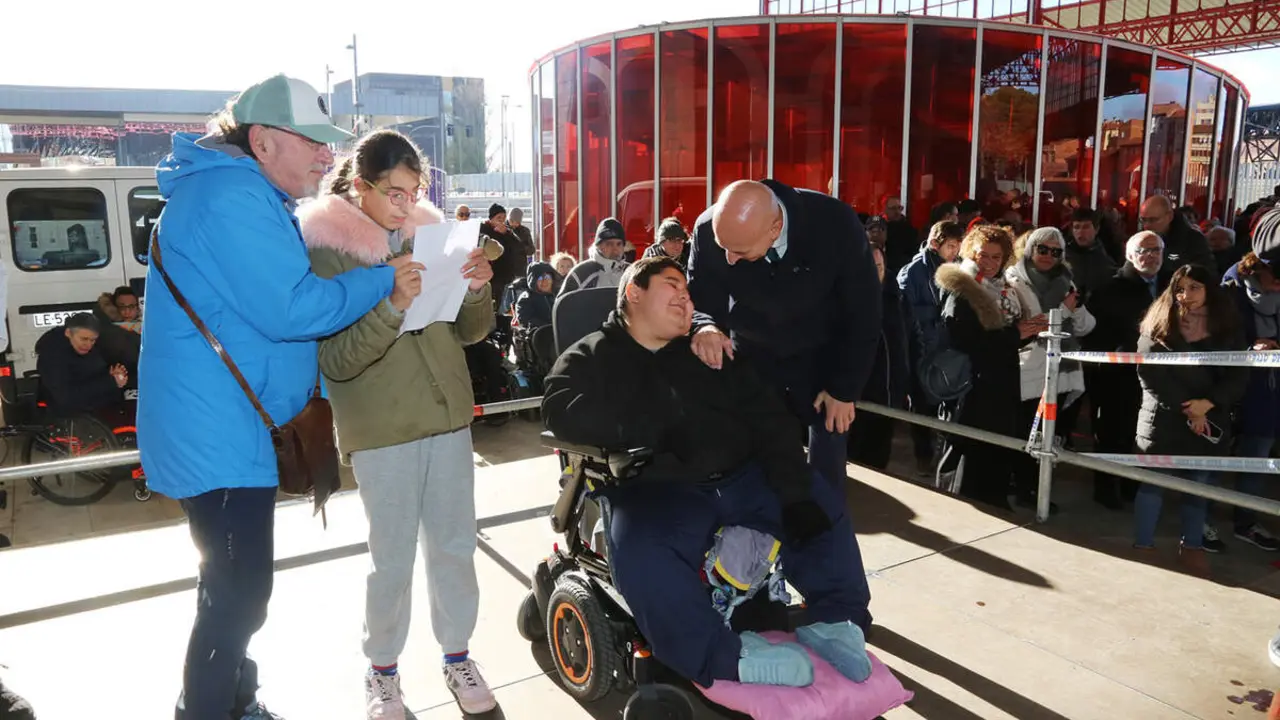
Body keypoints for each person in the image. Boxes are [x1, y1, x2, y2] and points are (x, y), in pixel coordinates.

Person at [139, 74, 419, 720]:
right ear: (263, 142)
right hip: (219, 436)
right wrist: (382, 283)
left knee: (231, 586)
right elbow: (292, 308)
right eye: (314, 142)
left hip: (226, 429)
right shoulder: (230, 196)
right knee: (239, 593)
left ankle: (234, 699)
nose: (328, 157)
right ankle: (207, 710)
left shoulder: (236, 191)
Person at [542, 256, 873, 690]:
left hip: (744, 476)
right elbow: (559, 411)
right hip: (659, 488)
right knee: (640, 551)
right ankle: (723, 657)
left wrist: (793, 493)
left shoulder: (708, 351)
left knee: (818, 502)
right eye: (671, 284)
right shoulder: (591, 356)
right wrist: (650, 424)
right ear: (634, 292)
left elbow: (770, 420)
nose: (685, 295)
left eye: (688, 290)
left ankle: (837, 623)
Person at [296, 129, 497, 718]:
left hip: (448, 418)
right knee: (392, 558)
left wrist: (478, 289)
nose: (406, 204)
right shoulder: (323, 249)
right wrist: (391, 306)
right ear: (359, 186)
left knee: (456, 546)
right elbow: (333, 360)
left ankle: (457, 655)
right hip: (380, 429)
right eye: (394, 192)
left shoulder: (429, 236)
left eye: (414, 192)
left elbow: (468, 332)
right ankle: (382, 672)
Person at [687, 180, 882, 492]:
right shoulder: (710, 229)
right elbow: (700, 298)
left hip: (824, 360)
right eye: (724, 248)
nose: (729, 259)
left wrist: (844, 390)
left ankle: (825, 531)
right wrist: (706, 327)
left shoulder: (835, 224)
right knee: (755, 469)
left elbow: (863, 311)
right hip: (753, 358)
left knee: (826, 476)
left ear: (775, 229)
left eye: (739, 251)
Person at [1133, 264, 1247, 575]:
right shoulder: (1158, 323)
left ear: (1210, 289)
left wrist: (1207, 405)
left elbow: (1239, 375)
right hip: (1164, 419)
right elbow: (1150, 373)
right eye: (1180, 288)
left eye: (1195, 287)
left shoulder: (1228, 327)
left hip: (1211, 417)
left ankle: (1192, 544)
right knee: (1153, 486)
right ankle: (1143, 544)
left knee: (1200, 486)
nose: (1187, 294)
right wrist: (1189, 409)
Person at [934, 225, 1045, 509]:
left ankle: (991, 500)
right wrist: (1014, 334)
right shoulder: (963, 288)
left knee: (995, 451)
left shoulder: (1000, 289)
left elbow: (996, 340)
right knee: (972, 453)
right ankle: (971, 505)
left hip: (1000, 385)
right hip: (975, 388)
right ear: (970, 253)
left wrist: (1025, 332)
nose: (990, 262)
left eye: (997, 257)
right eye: (984, 255)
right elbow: (965, 339)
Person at [1004, 227, 1096, 509]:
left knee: (1053, 437)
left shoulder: (1066, 281)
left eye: (1055, 252)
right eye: (1042, 249)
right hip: (1029, 369)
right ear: (1030, 248)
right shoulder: (1014, 280)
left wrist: (1075, 307)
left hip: (1064, 371)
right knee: (1027, 435)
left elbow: (1087, 326)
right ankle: (1026, 490)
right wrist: (1064, 310)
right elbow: (1027, 326)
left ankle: (1037, 489)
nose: (1047, 256)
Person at [1082, 231, 1167, 510]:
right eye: (1143, 250)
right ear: (1130, 255)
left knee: (1141, 434)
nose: (1150, 256)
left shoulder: (1170, 285)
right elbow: (1094, 335)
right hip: (1116, 376)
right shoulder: (1109, 288)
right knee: (1111, 434)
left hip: (1155, 376)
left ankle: (1132, 485)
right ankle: (1105, 488)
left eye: (1156, 250)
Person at [1220, 251, 1280, 552]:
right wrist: (1248, 347)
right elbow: (1217, 335)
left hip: (1271, 387)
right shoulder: (1231, 288)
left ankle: (1247, 519)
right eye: (1276, 279)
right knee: (1225, 453)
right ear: (1261, 268)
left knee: (1260, 452)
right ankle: (1211, 521)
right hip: (1236, 385)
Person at [897, 220, 963, 476]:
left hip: (948, 350)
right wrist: (939, 313)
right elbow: (905, 311)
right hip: (922, 350)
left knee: (949, 405)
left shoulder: (957, 268)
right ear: (936, 243)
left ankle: (944, 455)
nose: (955, 252)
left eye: (958, 246)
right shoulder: (913, 272)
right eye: (951, 246)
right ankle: (923, 455)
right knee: (923, 407)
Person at [847, 244, 908, 470]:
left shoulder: (895, 298)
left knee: (879, 460)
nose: (875, 273)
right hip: (856, 399)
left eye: (879, 267)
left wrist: (904, 386)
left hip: (888, 395)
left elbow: (904, 345)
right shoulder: (845, 300)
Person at [36, 313, 127, 418]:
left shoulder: (92, 350)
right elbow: (66, 398)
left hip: (93, 414)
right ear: (68, 333)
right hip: (68, 420)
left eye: (92, 340)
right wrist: (110, 382)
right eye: (84, 339)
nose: (88, 344)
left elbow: (92, 379)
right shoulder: (52, 356)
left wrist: (112, 378)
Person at [1139, 194, 1215, 281]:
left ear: (1169, 216)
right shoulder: (1140, 239)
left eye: (1153, 220)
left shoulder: (1193, 241)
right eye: (1143, 220)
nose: (1147, 226)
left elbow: (1206, 276)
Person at [560, 218, 629, 293]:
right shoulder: (581, 273)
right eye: (609, 244)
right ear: (598, 246)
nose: (615, 249)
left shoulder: (631, 273)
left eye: (619, 244)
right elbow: (562, 303)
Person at [1064, 208, 1117, 304]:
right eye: (1077, 227)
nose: (1081, 232)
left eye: (1086, 227)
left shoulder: (1107, 260)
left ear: (1096, 229)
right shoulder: (1062, 257)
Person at [482, 204, 525, 304]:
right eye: (499, 217)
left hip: (506, 275)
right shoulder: (483, 229)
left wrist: (506, 233)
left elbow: (519, 247)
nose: (501, 220)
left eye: (504, 217)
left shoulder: (506, 230)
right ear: (491, 218)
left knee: (504, 304)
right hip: (491, 275)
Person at [515, 262, 556, 330]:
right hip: (541, 334)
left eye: (547, 277)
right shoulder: (526, 298)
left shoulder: (559, 294)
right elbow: (525, 319)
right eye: (539, 278)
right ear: (533, 280)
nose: (544, 281)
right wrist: (549, 327)